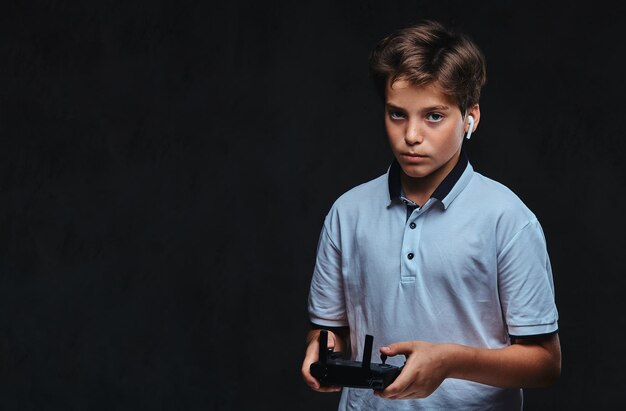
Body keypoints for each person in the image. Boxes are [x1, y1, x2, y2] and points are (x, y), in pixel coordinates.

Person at [300, 20, 561, 410]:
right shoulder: (347, 212)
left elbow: (545, 363)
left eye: (434, 116)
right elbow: (329, 328)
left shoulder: (507, 218)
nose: (412, 135)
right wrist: (321, 352)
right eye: (397, 114)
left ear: (470, 117)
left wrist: (449, 361)